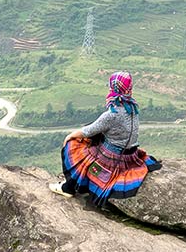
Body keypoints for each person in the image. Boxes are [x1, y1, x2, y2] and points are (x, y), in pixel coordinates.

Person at [59, 72, 158, 200]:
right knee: (95, 135)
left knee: (74, 145)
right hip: (131, 154)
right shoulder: (133, 107)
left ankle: (68, 187)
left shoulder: (112, 114)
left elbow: (88, 131)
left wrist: (69, 136)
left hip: (113, 158)